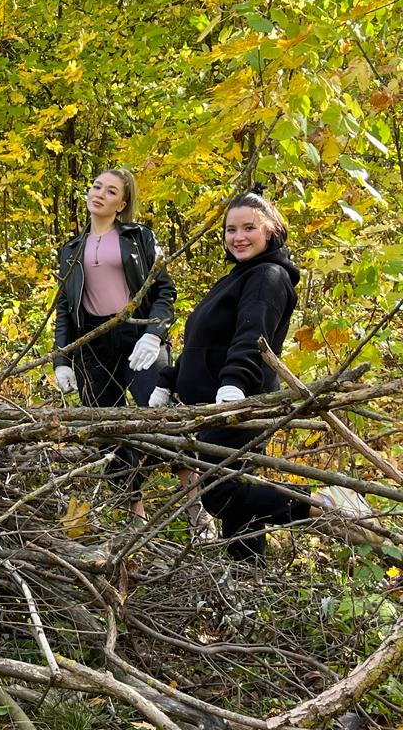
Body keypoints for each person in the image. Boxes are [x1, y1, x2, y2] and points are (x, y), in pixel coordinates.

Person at [149, 186, 373, 558]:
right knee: (238, 506)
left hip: (240, 401)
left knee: (219, 492)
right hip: (213, 401)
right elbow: (204, 343)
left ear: (271, 229)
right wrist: (168, 381)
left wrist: (234, 385)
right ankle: (246, 580)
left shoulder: (267, 276)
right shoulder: (238, 275)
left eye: (248, 228)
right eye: (230, 229)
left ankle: (321, 503)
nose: (238, 237)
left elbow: (251, 336)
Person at [53, 168, 177, 519]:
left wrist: (155, 334)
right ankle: (134, 513)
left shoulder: (140, 238)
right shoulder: (72, 249)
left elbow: (164, 290)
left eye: (110, 191)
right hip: (93, 341)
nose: (100, 194)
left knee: (160, 415)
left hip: (137, 334)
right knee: (105, 430)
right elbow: (65, 307)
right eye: (96, 187)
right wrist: (61, 358)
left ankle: (196, 504)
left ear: (122, 203)